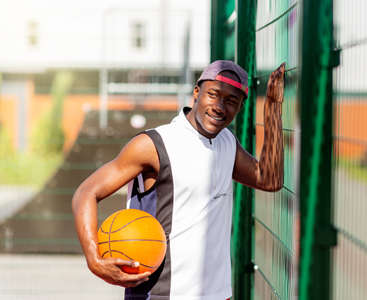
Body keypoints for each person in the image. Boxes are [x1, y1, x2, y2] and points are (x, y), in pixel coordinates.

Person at [72, 60, 285, 300]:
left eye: (231, 101)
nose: (219, 106)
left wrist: (274, 107)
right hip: (161, 293)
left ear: (240, 107)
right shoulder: (154, 144)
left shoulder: (228, 143)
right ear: (197, 92)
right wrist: (94, 259)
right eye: (213, 95)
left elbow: (270, 179)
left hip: (217, 294)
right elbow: (86, 192)